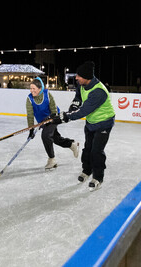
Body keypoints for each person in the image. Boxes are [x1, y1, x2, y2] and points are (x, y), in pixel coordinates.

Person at [52, 61, 115, 191]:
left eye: (79, 76)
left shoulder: (99, 91)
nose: (76, 78)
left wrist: (65, 116)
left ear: (87, 77)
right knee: (88, 149)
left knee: (96, 151)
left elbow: (83, 111)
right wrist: (73, 107)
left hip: (104, 123)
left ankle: (98, 177)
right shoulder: (82, 85)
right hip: (91, 122)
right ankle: (87, 171)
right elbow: (78, 98)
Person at [26, 77, 79, 170]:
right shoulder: (29, 99)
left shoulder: (47, 94)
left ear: (39, 88)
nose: (31, 90)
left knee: (46, 136)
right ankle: (71, 144)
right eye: (30, 88)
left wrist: (52, 118)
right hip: (42, 121)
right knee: (56, 139)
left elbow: (54, 109)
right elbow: (30, 115)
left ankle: (52, 159)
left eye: (33, 88)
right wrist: (31, 129)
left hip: (53, 118)